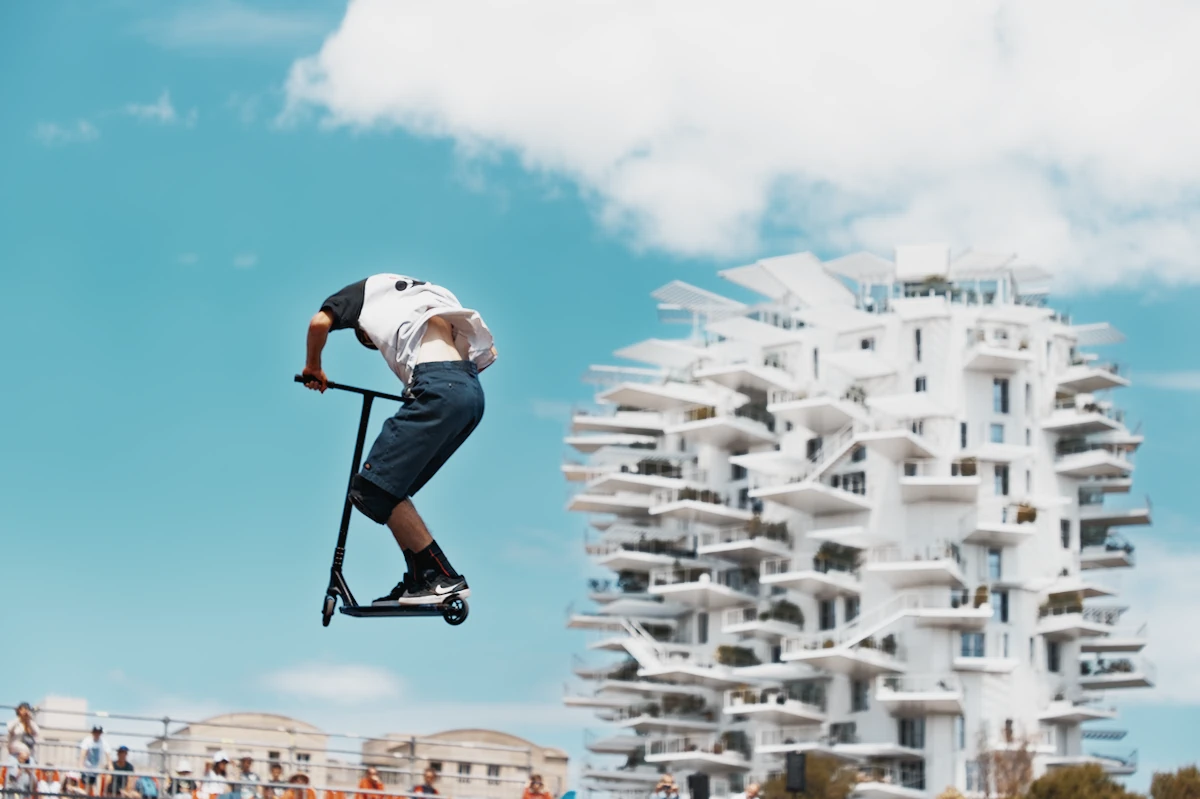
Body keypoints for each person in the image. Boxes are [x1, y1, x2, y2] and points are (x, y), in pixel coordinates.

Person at [301, 274, 497, 606]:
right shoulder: (435, 295)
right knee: (390, 488)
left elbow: (318, 323)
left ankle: (442, 577)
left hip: (438, 387)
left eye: (368, 340)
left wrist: (313, 367)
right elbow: (488, 349)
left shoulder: (364, 291)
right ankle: (420, 578)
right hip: (470, 393)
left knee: (372, 488)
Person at [79, 726, 113, 791]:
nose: (97, 734)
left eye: (99, 732)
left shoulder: (104, 742)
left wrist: (110, 766)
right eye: (95, 732)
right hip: (87, 770)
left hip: (98, 770)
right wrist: (81, 766)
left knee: (97, 791)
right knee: (86, 790)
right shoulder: (87, 740)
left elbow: (108, 755)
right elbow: (83, 753)